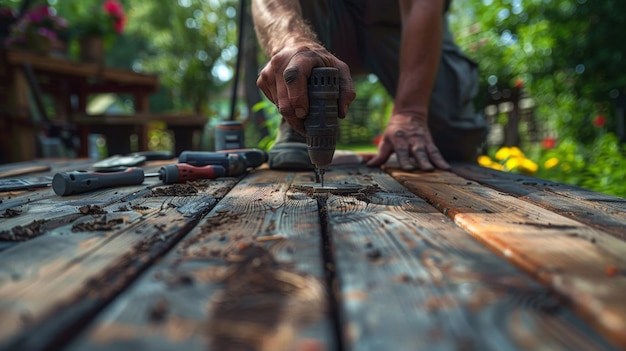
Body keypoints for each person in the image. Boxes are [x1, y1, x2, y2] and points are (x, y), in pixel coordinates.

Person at [251, 0, 487, 171]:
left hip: (401, 21)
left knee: (449, 140)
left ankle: (424, 120)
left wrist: (411, 111)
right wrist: (292, 42)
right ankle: (301, 119)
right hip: (326, 17)